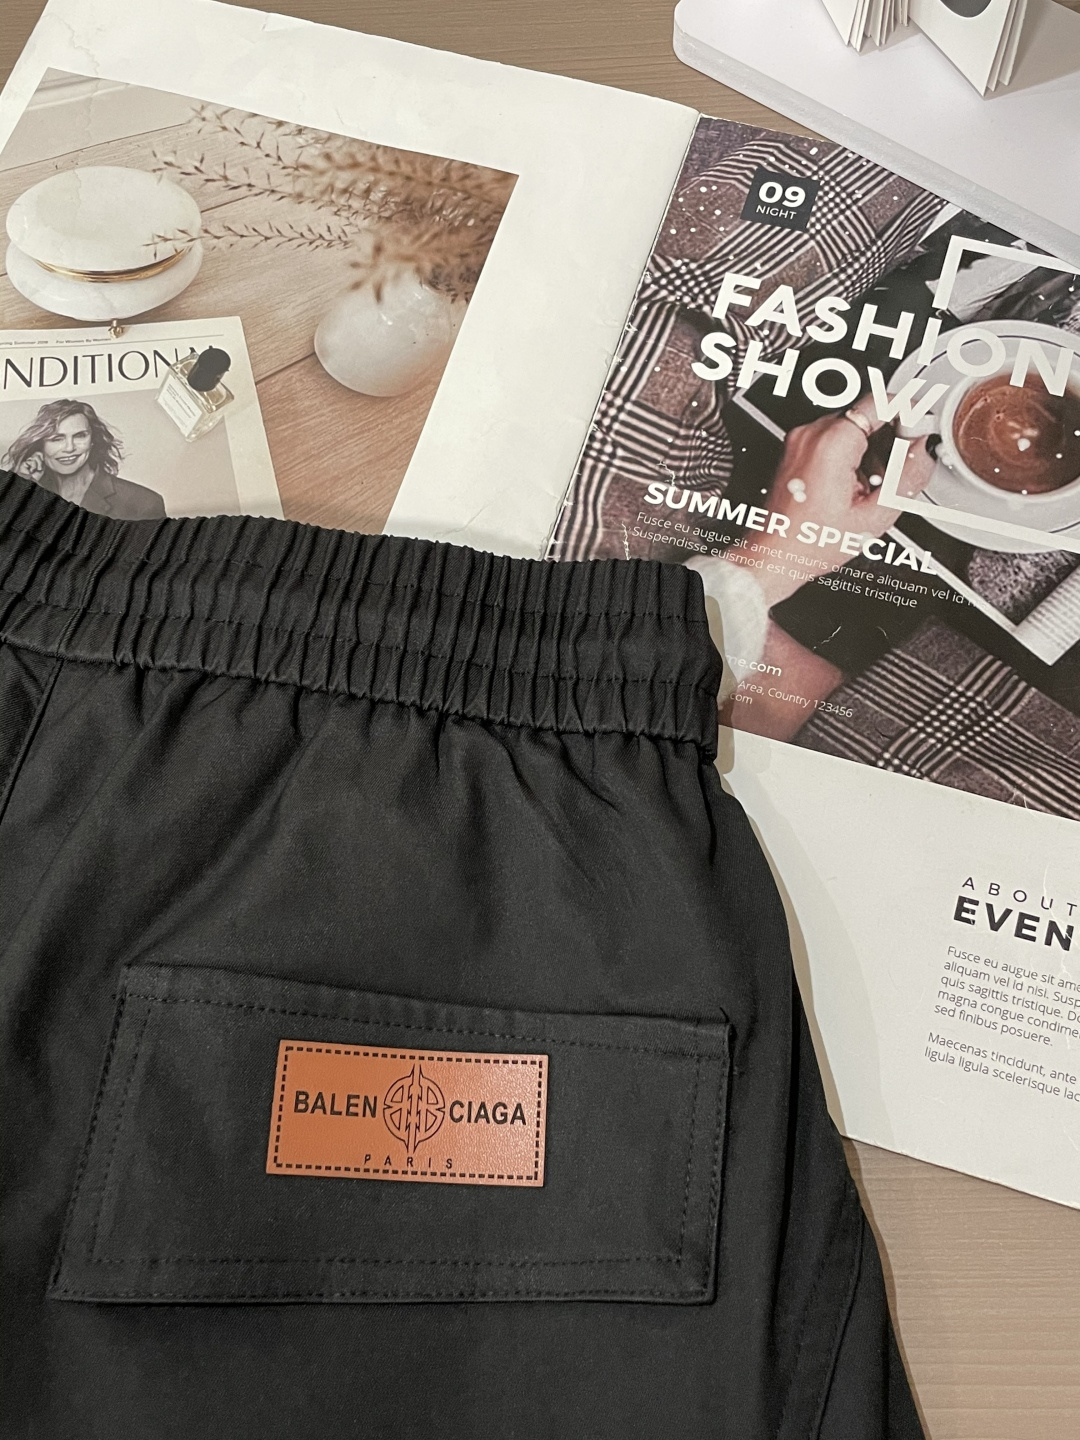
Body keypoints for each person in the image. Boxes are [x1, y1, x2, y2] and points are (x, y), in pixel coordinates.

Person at [3, 399, 165, 520]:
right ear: (41, 446)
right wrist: (20, 484)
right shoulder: (29, 490)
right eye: (57, 439)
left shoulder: (144, 504)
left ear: (93, 441)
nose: (69, 448)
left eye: (80, 436)